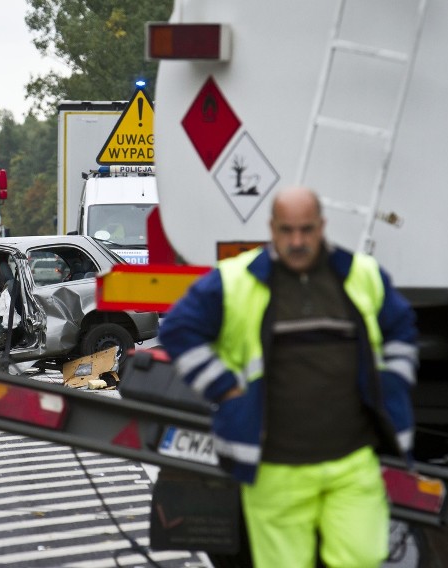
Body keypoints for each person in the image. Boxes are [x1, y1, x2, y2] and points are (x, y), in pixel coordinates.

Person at [159, 186, 417, 567]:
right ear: (272, 229)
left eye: (307, 230)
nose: (297, 241)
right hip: (275, 471)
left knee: (363, 557)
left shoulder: (361, 274)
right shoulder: (235, 281)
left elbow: (401, 328)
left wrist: (393, 384)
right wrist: (224, 388)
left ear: (322, 227)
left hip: (352, 464)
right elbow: (179, 330)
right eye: (287, 230)